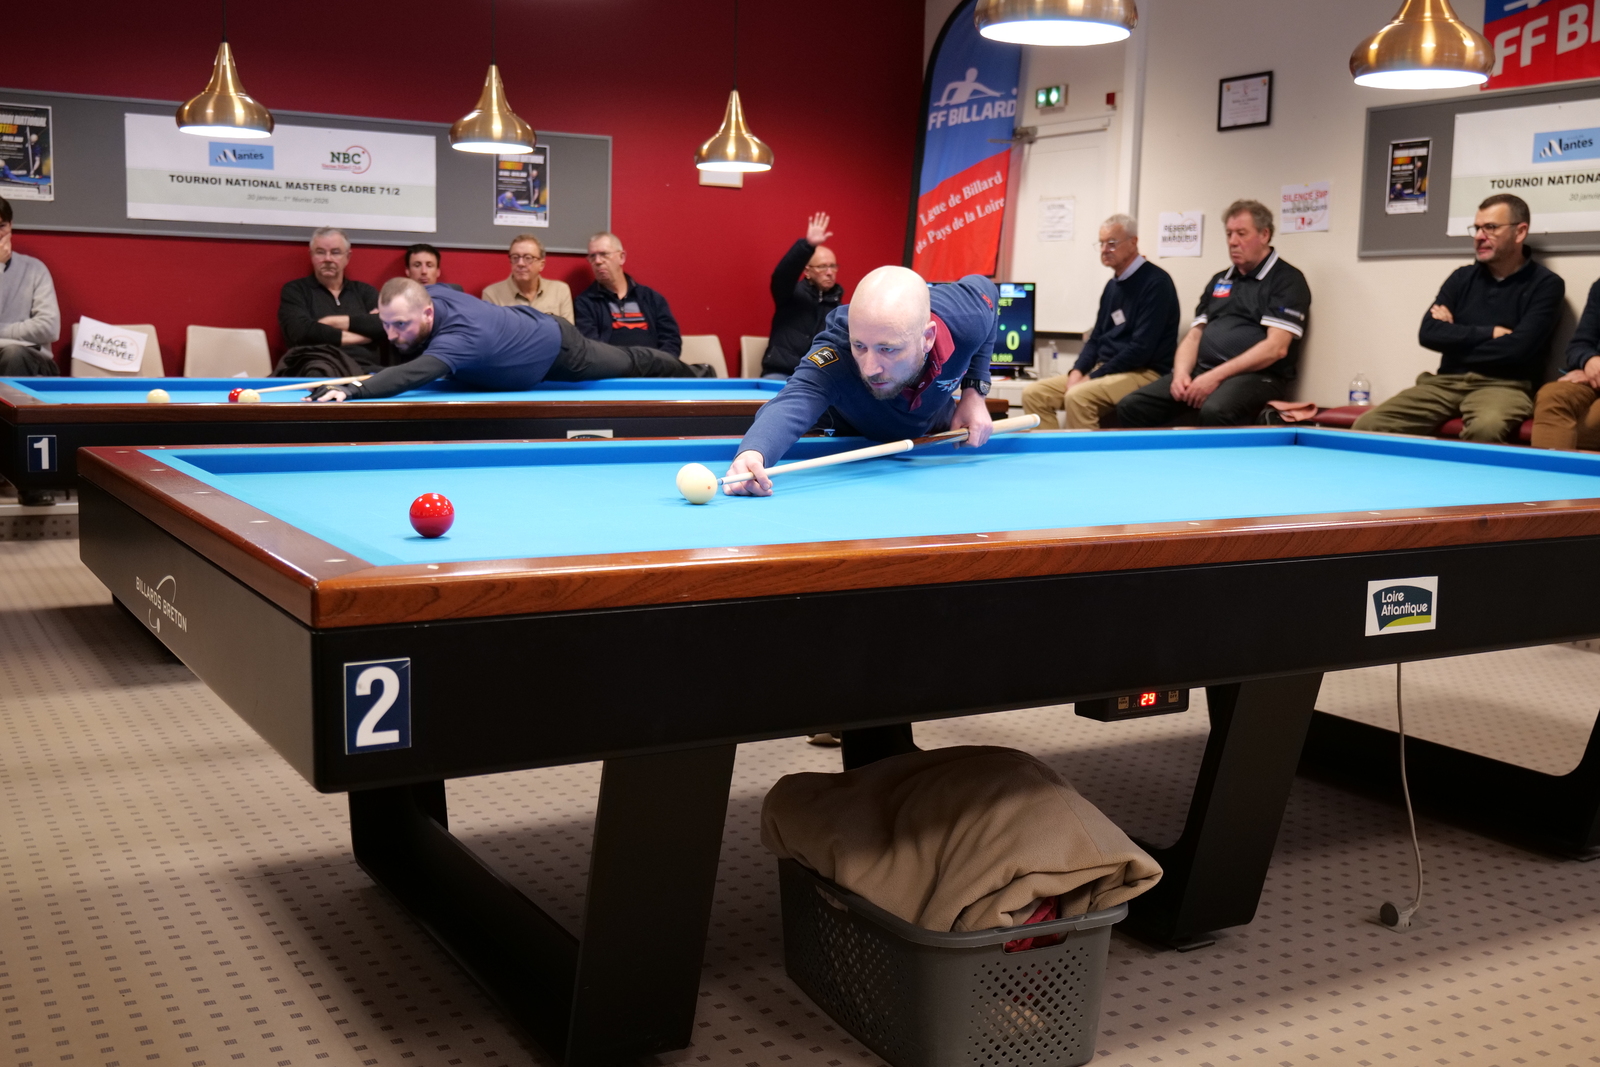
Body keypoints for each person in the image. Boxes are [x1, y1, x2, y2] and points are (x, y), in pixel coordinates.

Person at [724, 266, 997, 496]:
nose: (869, 368)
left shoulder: (967, 316)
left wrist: (974, 394)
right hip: (851, 431)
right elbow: (796, 398)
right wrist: (754, 453)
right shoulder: (839, 352)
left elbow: (989, 292)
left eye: (887, 349)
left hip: (932, 420)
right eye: (860, 346)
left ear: (927, 338)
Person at [1355, 194, 1564, 444]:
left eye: (1491, 227)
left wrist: (1454, 341)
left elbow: (1518, 349)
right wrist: (1489, 333)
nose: (1479, 236)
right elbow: (1428, 333)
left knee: (1486, 429)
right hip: (1444, 383)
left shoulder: (1546, 285)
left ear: (1519, 232)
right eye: (1477, 228)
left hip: (1504, 386)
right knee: (1368, 425)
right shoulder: (1461, 278)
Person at [308, 279, 705, 402]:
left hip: (558, 348)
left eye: (401, 326)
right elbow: (403, 313)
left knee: (630, 360)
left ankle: (694, 373)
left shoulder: (461, 337)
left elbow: (413, 374)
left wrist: (355, 389)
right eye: (388, 324)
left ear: (427, 314)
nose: (392, 335)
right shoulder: (431, 295)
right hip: (521, 332)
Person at [1115, 200, 1310, 428]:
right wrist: (1180, 375)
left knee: (1215, 410)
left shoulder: (1287, 280)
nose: (1233, 241)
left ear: (1264, 235)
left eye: (1241, 234)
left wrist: (1216, 376)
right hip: (1204, 370)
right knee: (1132, 405)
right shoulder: (1220, 280)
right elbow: (1194, 336)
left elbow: (1276, 348)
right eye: (1229, 234)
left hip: (1259, 376)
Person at [1021, 214, 1178, 429]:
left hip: (1145, 372)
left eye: (1111, 243)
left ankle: (1081, 453)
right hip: (1108, 369)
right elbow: (1096, 339)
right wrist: (1077, 371)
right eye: (1101, 243)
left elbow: (1140, 349)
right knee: (1034, 393)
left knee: (1078, 396)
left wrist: (1092, 377)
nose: (1105, 249)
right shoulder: (1113, 286)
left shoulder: (1156, 283)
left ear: (1133, 242)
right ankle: (1053, 451)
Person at [278, 227, 389, 371]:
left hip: (366, 369)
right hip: (319, 367)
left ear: (347, 257)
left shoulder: (365, 292)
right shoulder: (296, 290)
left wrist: (331, 322)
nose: (328, 259)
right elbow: (300, 332)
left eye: (335, 252)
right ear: (311, 255)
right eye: (320, 252)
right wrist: (363, 337)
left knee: (396, 377)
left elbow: (384, 325)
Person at [761, 212, 844, 378]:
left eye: (833, 266)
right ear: (807, 271)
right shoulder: (789, 295)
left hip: (816, 377)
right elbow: (783, 274)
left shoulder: (838, 309)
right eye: (822, 267)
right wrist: (808, 246)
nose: (829, 272)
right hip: (781, 372)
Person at [574, 232, 682, 356]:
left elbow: (671, 339)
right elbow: (591, 347)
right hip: (612, 365)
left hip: (654, 364)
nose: (597, 261)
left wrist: (662, 364)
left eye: (604, 254)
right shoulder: (586, 302)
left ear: (622, 257)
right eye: (592, 256)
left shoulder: (651, 298)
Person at [1532, 278, 1600, 450]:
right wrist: (1589, 360)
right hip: (1592, 379)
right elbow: (1579, 344)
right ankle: (1550, 467)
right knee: (1552, 395)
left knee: (1578, 432)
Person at [0, 195, 60, 379]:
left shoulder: (34, 269)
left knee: (13, 354)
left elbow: (49, 328)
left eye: (1, 226)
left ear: (11, 226)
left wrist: (2, 331)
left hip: (29, 356)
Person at [481, 234, 574, 322]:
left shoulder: (560, 291)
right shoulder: (492, 295)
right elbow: (491, 332)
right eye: (515, 257)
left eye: (528, 258)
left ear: (541, 265)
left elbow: (568, 332)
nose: (520, 263)